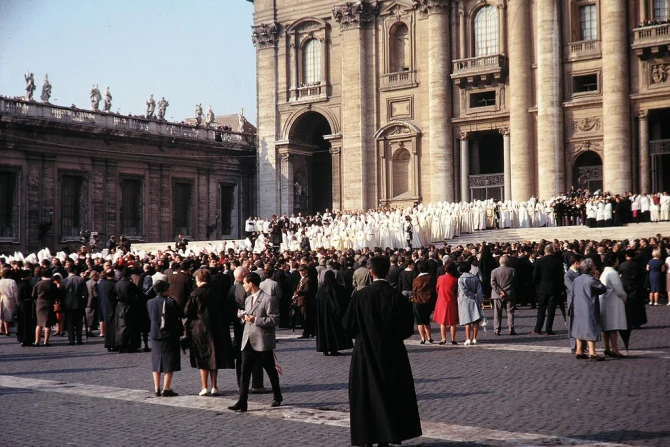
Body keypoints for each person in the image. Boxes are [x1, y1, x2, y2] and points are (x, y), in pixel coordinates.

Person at [342, 256, 422, 447]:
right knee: (391, 393)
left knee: (365, 393)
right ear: (388, 272)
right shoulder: (396, 297)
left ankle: (366, 436)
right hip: (391, 351)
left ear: (371, 272)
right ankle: (389, 435)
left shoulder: (359, 296)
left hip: (364, 351)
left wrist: (362, 334)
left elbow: (347, 324)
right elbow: (407, 329)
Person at [228, 272, 283, 412]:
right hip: (248, 340)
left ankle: (277, 395)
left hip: (262, 341)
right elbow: (247, 319)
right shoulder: (247, 299)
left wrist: (255, 320)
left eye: (245, 283)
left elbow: (274, 320)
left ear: (251, 283)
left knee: (270, 370)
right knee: (244, 372)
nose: (244, 286)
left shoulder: (268, 299)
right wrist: (242, 317)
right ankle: (242, 401)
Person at [184, 269, 235, 396]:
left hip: (200, 328)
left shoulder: (195, 293)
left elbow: (187, 311)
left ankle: (204, 386)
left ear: (199, 279)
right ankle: (214, 386)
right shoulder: (217, 291)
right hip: (217, 327)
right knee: (214, 357)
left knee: (202, 357)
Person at [147, 273, 183, 397]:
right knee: (169, 362)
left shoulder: (150, 302)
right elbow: (179, 314)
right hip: (169, 334)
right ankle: (166, 388)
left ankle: (156, 388)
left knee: (156, 362)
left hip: (155, 333)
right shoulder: (170, 302)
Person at [570, 258, 608, 361]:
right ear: (591, 269)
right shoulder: (591, 280)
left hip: (578, 306)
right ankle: (592, 352)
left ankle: (579, 351)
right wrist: (597, 278)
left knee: (579, 327)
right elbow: (603, 288)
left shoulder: (577, 279)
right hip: (588, 306)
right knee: (591, 327)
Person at [315, 270, 353, 356]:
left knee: (325, 331)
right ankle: (334, 349)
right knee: (334, 331)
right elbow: (344, 301)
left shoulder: (321, 290)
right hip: (334, 316)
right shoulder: (338, 288)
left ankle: (325, 349)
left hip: (323, 316)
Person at [532, 244, 564, 335]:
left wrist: (537, 286)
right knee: (551, 310)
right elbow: (561, 277)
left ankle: (538, 328)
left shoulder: (539, 261)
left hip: (542, 288)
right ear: (553, 251)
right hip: (554, 289)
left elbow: (535, 276)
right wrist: (561, 288)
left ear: (545, 251)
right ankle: (548, 329)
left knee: (541, 309)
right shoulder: (558, 262)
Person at [599, 253, 627, 358]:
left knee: (605, 327)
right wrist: (625, 298)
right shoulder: (613, 273)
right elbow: (619, 290)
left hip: (604, 301)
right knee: (613, 327)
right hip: (612, 303)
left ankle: (607, 348)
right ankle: (615, 349)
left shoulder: (604, 272)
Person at [457, 260, 483, 345]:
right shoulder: (475, 277)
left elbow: (464, 290)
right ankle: (475, 338)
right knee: (475, 320)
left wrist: (471, 294)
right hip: (475, 300)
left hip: (465, 301)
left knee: (467, 320)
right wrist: (479, 299)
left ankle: (467, 338)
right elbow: (479, 290)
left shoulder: (461, 279)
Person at [490, 255, 518, 336]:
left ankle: (497, 329)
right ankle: (511, 328)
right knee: (510, 312)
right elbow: (515, 282)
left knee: (497, 313)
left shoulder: (494, 271)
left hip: (497, 294)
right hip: (509, 293)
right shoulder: (512, 271)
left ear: (499, 262)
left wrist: (499, 291)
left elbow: (493, 283)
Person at [115, 267, 141, 353]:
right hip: (129, 306)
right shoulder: (130, 284)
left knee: (121, 326)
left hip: (120, 306)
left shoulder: (117, 284)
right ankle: (130, 345)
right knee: (130, 327)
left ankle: (121, 345)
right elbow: (138, 294)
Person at [434, 260, 459, 345]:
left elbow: (437, 289)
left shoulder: (440, 278)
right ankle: (453, 338)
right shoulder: (455, 280)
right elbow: (456, 291)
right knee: (453, 322)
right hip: (451, 301)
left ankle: (443, 338)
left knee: (442, 322)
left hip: (441, 301)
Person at [32, 269, 58, 346]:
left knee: (39, 323)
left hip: (39, 302)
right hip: (48, 303)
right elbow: (56, 294)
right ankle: (46, 341)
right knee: (47, 324)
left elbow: (33, 295)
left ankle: (37, 341)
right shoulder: (52, 284)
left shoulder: (38, 283)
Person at [63, 265, 87, 345]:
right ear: (75, 270)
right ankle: (79, 339)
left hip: (68, 304)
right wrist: (84, 302)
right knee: (79, 323)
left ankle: (71, 340)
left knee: (70, 324)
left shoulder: (65, 281)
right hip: (79, 304)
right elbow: (85, 293)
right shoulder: (80, 280)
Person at [411, 260, 435, 344]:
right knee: (427, 321)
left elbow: (414, 290)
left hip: (418, 302)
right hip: (428, 301)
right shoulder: (431, 278)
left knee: (419, 322)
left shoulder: (416, 279)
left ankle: (422, 338)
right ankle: (429, 337)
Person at [0, 268, 18, 336]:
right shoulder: (12, 281)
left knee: (4, 315)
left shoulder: (0, 281)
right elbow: (15, 292)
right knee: (15, 315)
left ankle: (6, 330)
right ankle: (17, 330)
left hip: (3, 298)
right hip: (11, 299)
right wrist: (17, 302)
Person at [85, 271, 99, 336]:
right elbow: (95, 294)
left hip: (87, 302)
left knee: (87, 317)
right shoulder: (95, 283)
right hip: (92, 302)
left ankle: (88, 331)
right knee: (91, 317)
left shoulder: (87, 282)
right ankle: (89, 331)